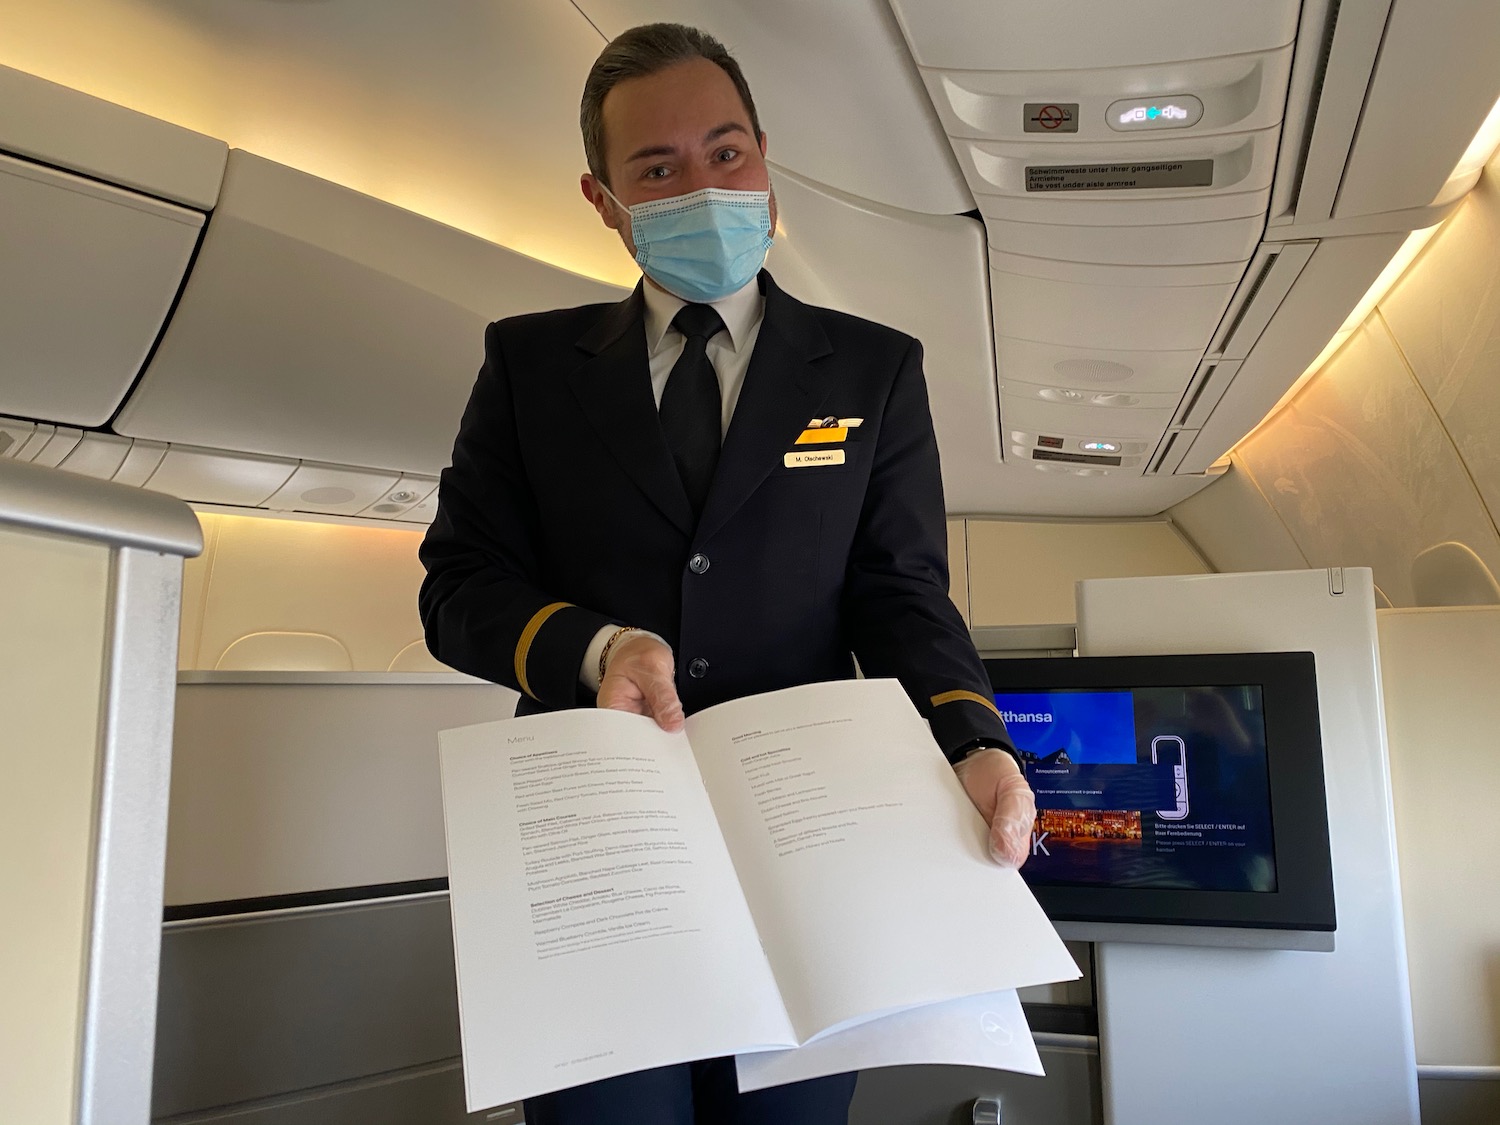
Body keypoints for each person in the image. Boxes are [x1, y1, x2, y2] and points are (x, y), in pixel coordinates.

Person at [419, 22, 1036, 1125]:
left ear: (765, 159)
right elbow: (459, 587)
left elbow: (900, 592)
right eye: (656, 167)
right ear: (603, 198)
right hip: (605, 840)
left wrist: (973, 738)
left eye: (726, 151)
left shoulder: (873, 368)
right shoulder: (528, 366)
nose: (701, 185)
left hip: (807, 832)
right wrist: (599, 648)